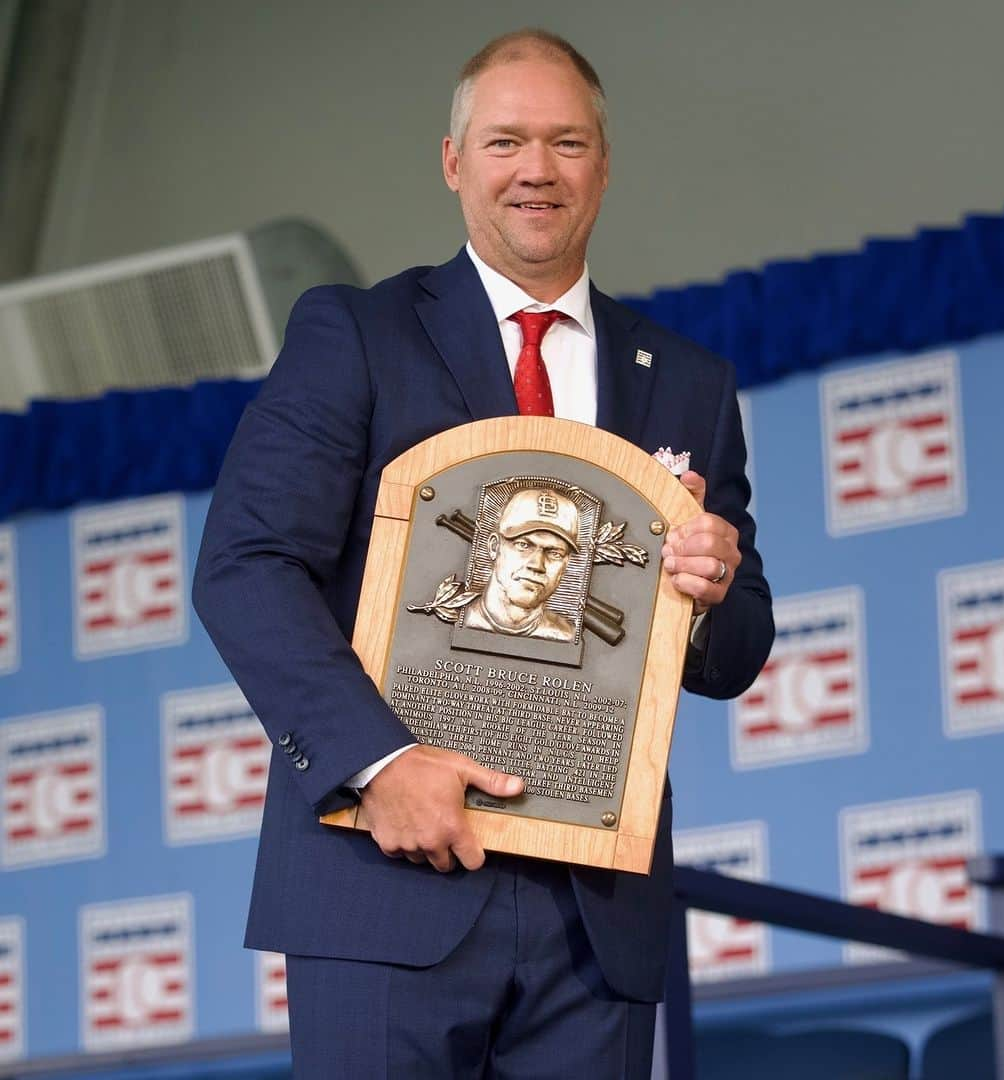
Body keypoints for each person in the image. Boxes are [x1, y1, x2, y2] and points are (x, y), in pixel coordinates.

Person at [193, 27, 773, 1080]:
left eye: (566, 143)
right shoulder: (358, 335)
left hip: (595, 918)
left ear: (604, 164)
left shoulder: (688, 380)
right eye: (506, 142)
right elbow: (248, 565)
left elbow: (733, 653)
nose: (537, 171)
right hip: (385, 881)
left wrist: (711, 589)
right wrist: (382, 763)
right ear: (455, 162)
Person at [461, 487, 579, 641]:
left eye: (554, 553)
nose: (537, 565)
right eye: (523, 545)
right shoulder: (457, 618)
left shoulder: (567, 636)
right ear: (494, 547)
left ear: (565, 563)